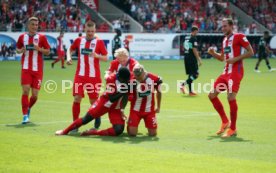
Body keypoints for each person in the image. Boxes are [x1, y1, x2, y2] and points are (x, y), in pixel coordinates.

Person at [207, 18, 254, 138]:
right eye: (222, 26)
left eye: (225, 26)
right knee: (212, 95)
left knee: (230, 97)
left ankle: (233, 128)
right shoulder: (224, 40)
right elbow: (222, 58)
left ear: (231, 26)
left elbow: (251, 52)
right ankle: (225, 121)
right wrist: (213, 53)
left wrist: (235, 59)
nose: (223, 28)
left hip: (236, 71)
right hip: (225, 72)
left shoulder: (239, 36)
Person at [55, 67, 131, 136]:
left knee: (118, 130)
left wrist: (122, 109)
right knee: (85, 119)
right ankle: (64, 131)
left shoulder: (128, 80)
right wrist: (123, 91)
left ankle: (93, 132)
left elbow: (126, 96)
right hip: (104, 102)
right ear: (120, 78)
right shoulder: (111, 79)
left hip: (116, 106)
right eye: (125, 80)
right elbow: (111, 98)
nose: (126, 81)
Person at [66, 21, 108, 131]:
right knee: (77, 98)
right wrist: (68, 57)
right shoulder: (79, 40)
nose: (90, 33)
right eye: (88, 31)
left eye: (92, 31)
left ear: (95, 30)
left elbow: (105, 58)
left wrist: (96, 55)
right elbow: (70, 49)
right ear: (85, 30)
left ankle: (97, 115)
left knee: (93, 101)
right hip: (80, 75)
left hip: (93, 77)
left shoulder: (99, 42)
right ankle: (75, 124)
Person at [16, 17, 51, 124]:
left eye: (36, 25)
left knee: (35, 95)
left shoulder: (42, 37)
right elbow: (17, 49)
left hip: (38, 70)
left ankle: (28, 108)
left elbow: (48, 51)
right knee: (25, 91)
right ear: (28, 25)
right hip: (26, 68)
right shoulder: (22, 37)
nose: (35, 26)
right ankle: (25, 116)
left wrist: (39, 49)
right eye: (33, 24)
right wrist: (21, 50)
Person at [127, 64, 162, 137]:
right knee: (132, 134)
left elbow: (159, 92)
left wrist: (158, 107)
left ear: (143, 73)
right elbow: (127, 95)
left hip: (149, 111)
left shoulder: (154, 79)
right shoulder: (131, 80)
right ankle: (130, 122)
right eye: (136, 76)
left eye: (139, 77)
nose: (138, 78)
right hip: (135, 110)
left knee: (153, 134)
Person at [180, 26, 202, 96]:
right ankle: (183, 84)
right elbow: (194, 49)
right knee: (196, 74)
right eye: (197, 31)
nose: (197, 33)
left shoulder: (187, 37)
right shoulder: (193, 38)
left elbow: (185, 46)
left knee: (191, 75)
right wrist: (199, 59)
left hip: (186, 57)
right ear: (195, 31)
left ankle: (190, 92)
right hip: (191, 58)